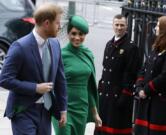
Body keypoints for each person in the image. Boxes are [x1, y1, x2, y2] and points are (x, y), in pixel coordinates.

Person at [0, 3, 67, 135]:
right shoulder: (19, 47)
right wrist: (35, 88)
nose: (60, 27)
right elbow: (4, 80)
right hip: (23, 111)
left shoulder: (55, 44)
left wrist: (63, 109)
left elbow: (60, 79)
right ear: (47, 23)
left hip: (46, 111)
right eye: (57, 23)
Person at [52, 15, 102, 135]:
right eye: (73, 33)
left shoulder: (87, 54)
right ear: (68, 33)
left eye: (81, 34)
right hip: (63, 108)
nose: (77, 37)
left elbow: (90, 87)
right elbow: (51, 83)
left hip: (81, 109)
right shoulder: (60, 54)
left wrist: (95, 113)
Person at [94, 14, 140, 135]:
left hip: (119, 97)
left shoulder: (131, 47)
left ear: (127, 27)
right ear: (113, 26)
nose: (119, 28)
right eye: (117, 25)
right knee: (101, 128)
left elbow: (131, 74)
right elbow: (106, 68)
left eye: (122, 25)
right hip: (105, 95)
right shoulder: (109, 44)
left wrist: (125, 95)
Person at [134, 16, 166, 135]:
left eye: (158, 25)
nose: (156, 28)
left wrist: (146, 90)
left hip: (161, 102)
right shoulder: (156, 46)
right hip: (147, 99)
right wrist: (139, 87)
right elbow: (144, 68)